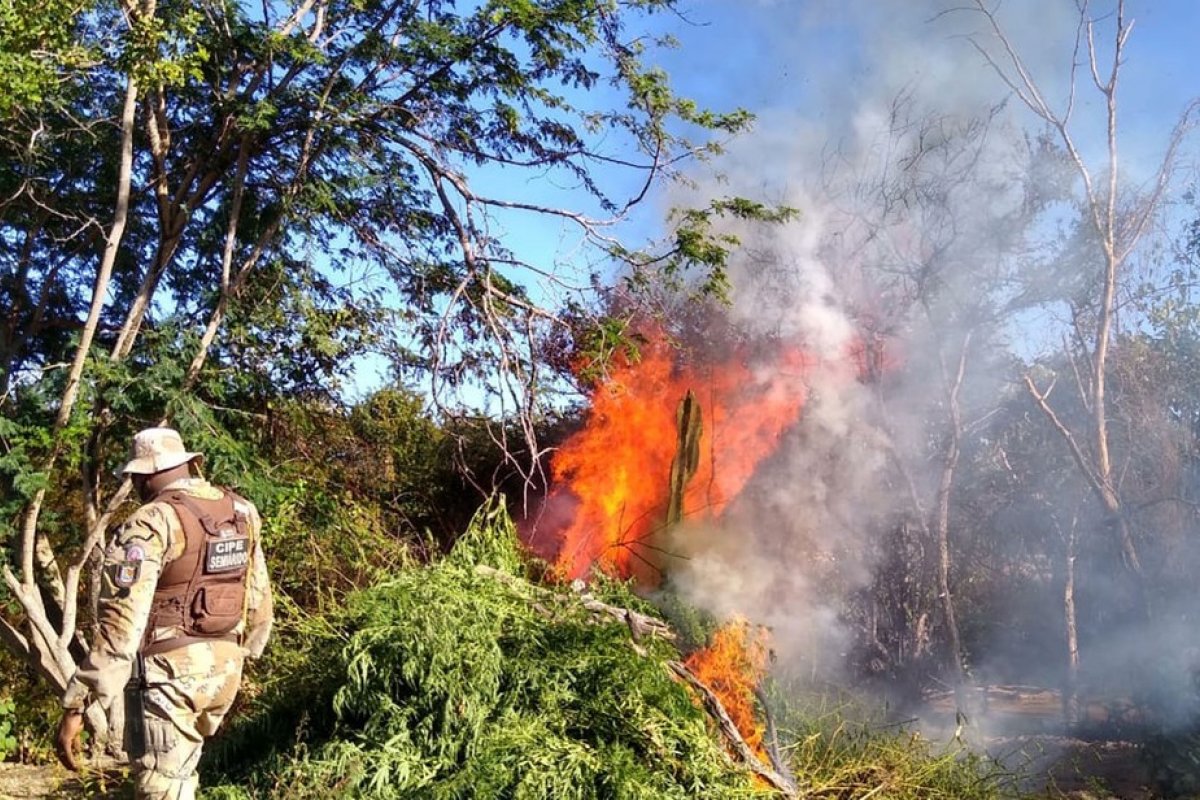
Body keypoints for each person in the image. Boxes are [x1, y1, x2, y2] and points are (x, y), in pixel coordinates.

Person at [56, 427, 273, 799]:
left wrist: (79, 702)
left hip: (170, 677)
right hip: (224, 670)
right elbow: (258, 596)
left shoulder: (152, 521)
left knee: (162, 787)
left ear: (149, 474)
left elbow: (121, 624)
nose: (136, 484)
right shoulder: (241, 510)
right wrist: (245, 653)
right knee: (180, 779)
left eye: (138, 476)